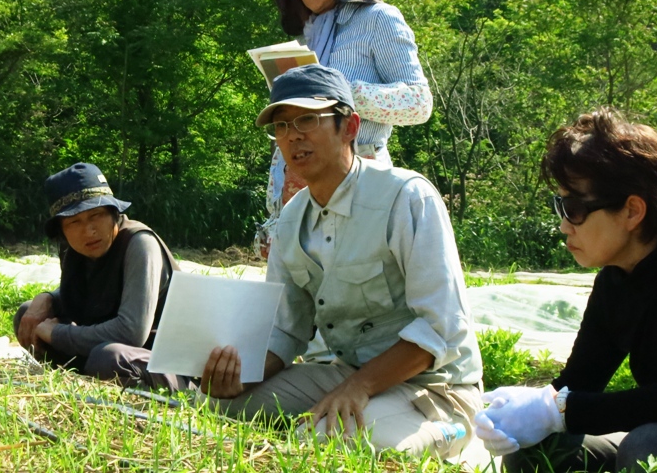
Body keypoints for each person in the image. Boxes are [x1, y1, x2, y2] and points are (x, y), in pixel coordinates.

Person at [200, 64, 482, 457]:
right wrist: (241, 378)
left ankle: (462, 434)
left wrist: (358, 387)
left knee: (329, 443)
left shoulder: (406, 197)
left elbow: (440, 327)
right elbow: (285, 331)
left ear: (349, 127)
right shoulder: (290, 222)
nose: (293, 135)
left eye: (307, 120)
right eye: (281, 126)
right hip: (346, 374)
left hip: (435, 385)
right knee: (217, 408)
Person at [474, 109, 657, 473]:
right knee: (541, 446)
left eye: (575, 208)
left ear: (632, 211)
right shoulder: (615, 277)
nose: (564, 225)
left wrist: (557, 411)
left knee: (653, 447)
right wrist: (526, 411)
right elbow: (579, 384)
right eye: (560, 205)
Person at [252, 0, 433, 257]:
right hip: (300, 184)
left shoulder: (379, 19)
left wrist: (341, 93)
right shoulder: (309, 34)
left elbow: (419, 102)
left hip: (362, 186)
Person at [14, 162, 193, 391]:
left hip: (163, 361)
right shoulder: (73, 248)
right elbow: (80, 293)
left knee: (108, 358)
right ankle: (75, 382)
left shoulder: (139, 243)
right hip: (111, 348)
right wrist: (48, 298)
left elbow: (131, 332)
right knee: (27, 315)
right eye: (74, 222)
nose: (89, 231)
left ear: (113, 213)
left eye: (96, 215)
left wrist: (57, 334)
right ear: (62, 230)